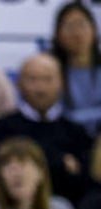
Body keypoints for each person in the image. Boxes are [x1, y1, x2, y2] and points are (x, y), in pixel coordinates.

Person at [0, 53, 93, 207]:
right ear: (18, 83)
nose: (40, 88)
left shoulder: (77, 133)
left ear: (61, 83)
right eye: (32, 80)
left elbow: (85, 183)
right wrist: (61, 163)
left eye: (47, 79)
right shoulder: (0, 129)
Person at [50, 1, 101, 135]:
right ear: (57, 34)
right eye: (70, 27)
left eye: (82, 25)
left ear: (94, 31)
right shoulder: (50, 71)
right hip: (64, 139)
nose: (77, 33)